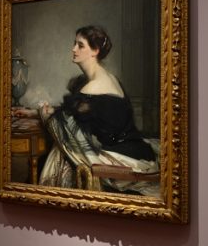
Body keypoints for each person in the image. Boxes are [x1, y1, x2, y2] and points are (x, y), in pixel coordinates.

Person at [14, 25, 159, 195]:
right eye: (74, 43)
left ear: (95, 51)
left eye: (80, 45)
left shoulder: (94, 85)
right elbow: (73, 110)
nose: (74, 49)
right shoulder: (103, 78)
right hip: (133, 147)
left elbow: (64, 122)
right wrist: (34, 113)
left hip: (123, 156)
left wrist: (43, 113)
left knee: (59, 155)